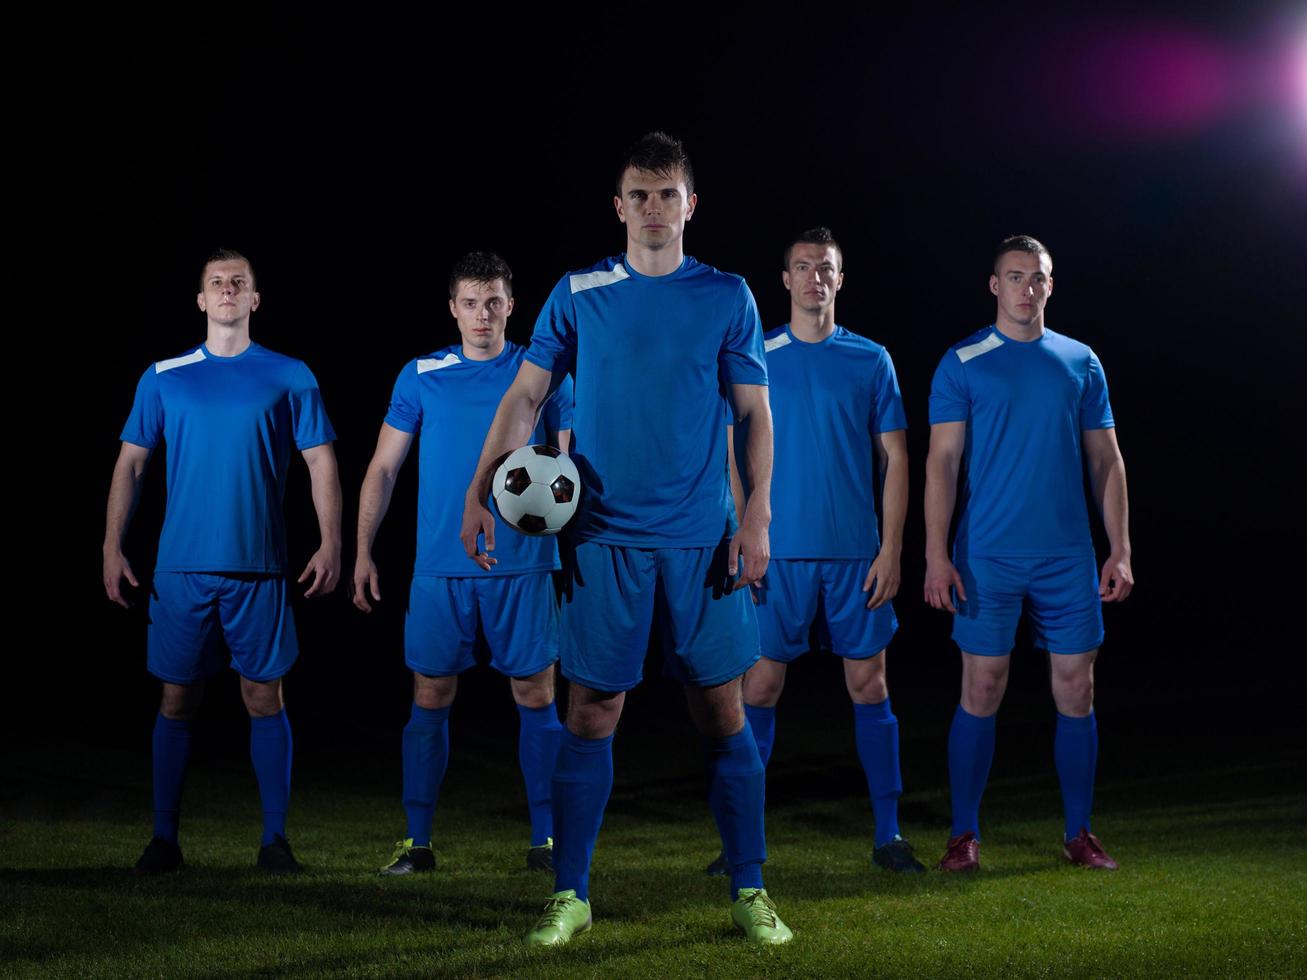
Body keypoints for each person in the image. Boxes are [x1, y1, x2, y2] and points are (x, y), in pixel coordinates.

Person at [461, 132, 791, 946]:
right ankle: (570, 894)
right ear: (618, 207)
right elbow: (523, 398)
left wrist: (756, 515)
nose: (652, 208)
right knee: (592, 708)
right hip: (599, 537)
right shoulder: (577, 293)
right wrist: (479, 491)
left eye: (666, 193)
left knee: (721, 708)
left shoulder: (728, 294)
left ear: (689, 205)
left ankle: (749, 887)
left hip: (698, 537)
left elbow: (753, 414)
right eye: (638, 195)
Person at [103, 248, 342, 875]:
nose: (229, 289)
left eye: (240, 282)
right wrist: (111, 544)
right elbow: (131, 462)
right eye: (217, 283)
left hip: (260, 567)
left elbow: (321, 463)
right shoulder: (164, 375)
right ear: (202, 300)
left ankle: (275, 841)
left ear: (255, 299)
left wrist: (332, 541)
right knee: (177, 700)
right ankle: (163, 841)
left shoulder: (292, 375)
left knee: (265, 698)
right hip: (181, 567)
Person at [705, 227, 924, 877]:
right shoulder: (757, 353)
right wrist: (744, 528)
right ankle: (742, 841)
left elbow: (896, 457)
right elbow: (729, 451)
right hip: (778, 553)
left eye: (824, 268)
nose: (813, 279)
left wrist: (891, 549)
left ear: (839, 279)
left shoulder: (870, 359)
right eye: (801, 268)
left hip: (855, 553)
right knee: (761, 686)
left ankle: (889, 836)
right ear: (784, 280)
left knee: (868, 682)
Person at [352, 251, 572, 875]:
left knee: (535, 695)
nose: (483, 315)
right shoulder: (421, 373)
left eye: (494, 302)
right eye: (471, 303)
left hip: (524, 563)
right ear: (453, 308)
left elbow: (567, 466)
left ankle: (547, 841)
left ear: (511, 305)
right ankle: (417, 843)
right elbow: (384, 468)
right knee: (431, 693)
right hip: (441, 568)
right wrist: (364, 550)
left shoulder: (544, 372)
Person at [924, 235, 1133, 872]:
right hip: (987, 554)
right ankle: (963, 835)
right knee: (982, 685)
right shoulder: (963, 360)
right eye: (1014, 277)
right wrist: (935, 554)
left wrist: (1119, 548)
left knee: (1077, 688)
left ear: (1050, 284)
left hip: (1067, 556)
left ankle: (1079, 832)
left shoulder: (1080, 361)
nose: (1026, 288)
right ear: (995, 286)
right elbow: (943, 462)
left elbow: (1107, 460)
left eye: (1036, 278)